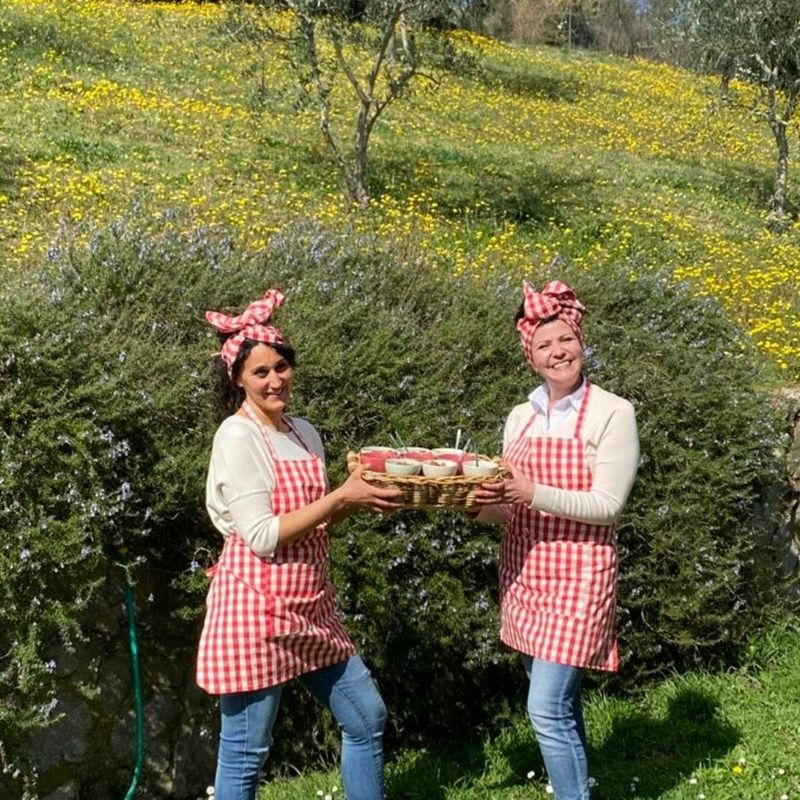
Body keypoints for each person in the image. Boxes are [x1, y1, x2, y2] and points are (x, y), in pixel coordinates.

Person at [196, 288, 403, 800]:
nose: (274, 380)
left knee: (367, 718)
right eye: (260, 372)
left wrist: (357, 500)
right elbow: (263, 535)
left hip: (311, 604)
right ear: (238, 379)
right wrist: (339, 499)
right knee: (246, 751)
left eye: (281, 367)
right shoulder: (237, 437)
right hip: (256, 610)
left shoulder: (304, 432)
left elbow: (310, 522)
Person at [473, 280, 639, 800]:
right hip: (526, 574)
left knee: (544, 707)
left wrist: (532, 489)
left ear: (581, 341)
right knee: (561, 706)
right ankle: (579, 785)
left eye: (565, 339)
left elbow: (608, 505)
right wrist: (473, 504)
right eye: (544, 345)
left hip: (580, 576)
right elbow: (508, 506)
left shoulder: (614, 413)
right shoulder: (520, 417)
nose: (557, 351)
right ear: (531, 356)